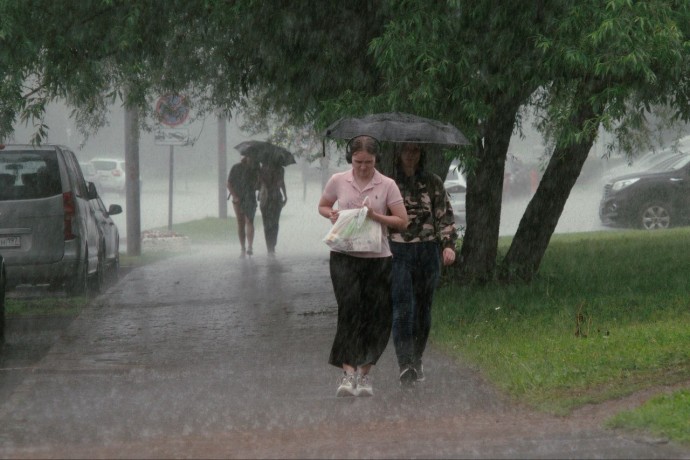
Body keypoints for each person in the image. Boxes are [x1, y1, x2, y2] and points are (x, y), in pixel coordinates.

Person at [318, 135, 408, 397]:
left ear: (376, 160)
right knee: (349, 310)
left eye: (368, 162)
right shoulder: (338, 181)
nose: (363, 167)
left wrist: (375, 216)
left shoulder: (388, 185)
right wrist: (331, 214)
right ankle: (347, 374)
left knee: (376, 315)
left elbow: (402, 221)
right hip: (344, 256)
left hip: (377, 258)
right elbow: (323, 206)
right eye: (358, 161)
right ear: (351, 159)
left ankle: (365, 374)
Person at [389, 142, 458, 387]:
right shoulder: (388, 183)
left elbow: (445, 215)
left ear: (421, 154)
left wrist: (448, 245)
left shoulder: (433, 182)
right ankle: (404, 363)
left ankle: (417, 358)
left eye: (415, 150)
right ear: (398, 153)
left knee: (423, 309)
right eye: (406, 150)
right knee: (402, 307)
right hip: (397, 250)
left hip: (427, 250)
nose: (410, 155)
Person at [227, 156, 259, 258]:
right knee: (244, 223)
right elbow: (229, 184)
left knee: (246, 222)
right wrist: (235, 196)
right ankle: (245, 248)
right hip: (242, 198)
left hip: (245, 198)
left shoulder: (253, 169)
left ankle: (247, 247)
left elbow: (258, 185)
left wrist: (235, 196)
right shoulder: (238, 168)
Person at [258, 160, 287, 255]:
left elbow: (258, 183)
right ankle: (272, 244)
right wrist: (285, 195)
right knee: (275, 222)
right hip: (276, 197)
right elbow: (282, 183)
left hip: (265, 198)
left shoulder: (262, 168)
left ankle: (269, 247)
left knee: (266, 223)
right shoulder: (280, 169)